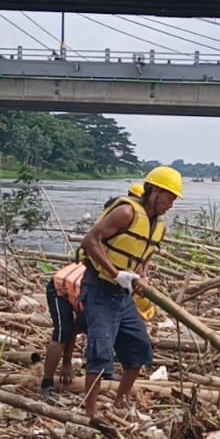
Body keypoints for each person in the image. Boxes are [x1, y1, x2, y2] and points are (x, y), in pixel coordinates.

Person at [76, 166, 182, 422]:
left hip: (124, 295)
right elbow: (91, 240)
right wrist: (115, 273)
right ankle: (90, 413)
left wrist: (142, 275)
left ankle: (120, 401)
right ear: (154, 191)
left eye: (174, 200)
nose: (171, 204)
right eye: (169, 198)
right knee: (101, 351)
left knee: (139, 348)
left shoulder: (159, 227)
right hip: (100, 287)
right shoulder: (126, 212)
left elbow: (145, 255)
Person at [40, 260, 88, 397]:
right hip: (59, 288)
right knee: (62, 332)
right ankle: (47, 382)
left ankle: (104, 370)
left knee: (73, 328)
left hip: (76, 287)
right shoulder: (91, 300)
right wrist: (67, 363)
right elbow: (74, 328)